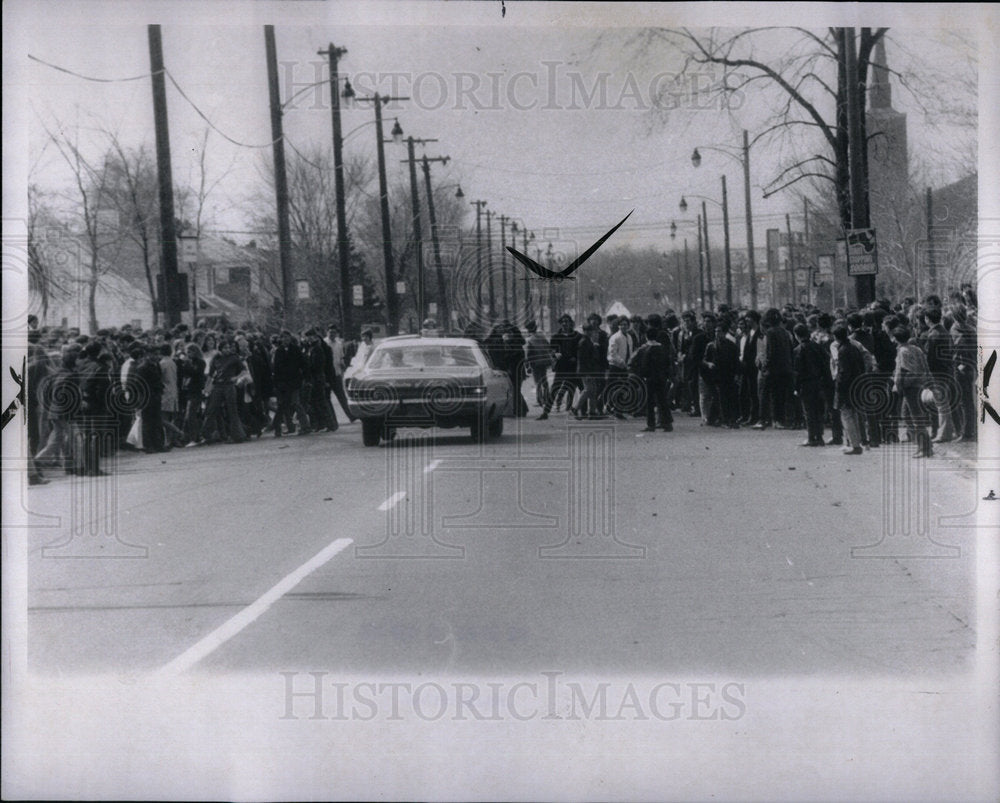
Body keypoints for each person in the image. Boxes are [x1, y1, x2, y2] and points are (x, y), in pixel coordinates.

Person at [892, 326, 933, 458]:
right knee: (907, 415)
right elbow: (925, 366)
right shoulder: (916, 348)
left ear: (896, 339)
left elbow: (904, 371)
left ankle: (924, 447)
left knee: (916, 417)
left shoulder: (903, 351)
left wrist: (899, 385)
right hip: (919, 384)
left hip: (911, 387)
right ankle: (924, 445)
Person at [793, 323, 832, 446]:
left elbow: (797, 371)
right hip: (819, 383)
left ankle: (811, 437)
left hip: (806, 384)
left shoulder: (798, 350)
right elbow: (826, 364)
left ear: (796, 336)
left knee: (808, 411)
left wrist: (796, 387)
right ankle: (819, 436)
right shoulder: (818, 347)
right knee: (819, 410)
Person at [831, 325, 866, 456]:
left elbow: (843, 372)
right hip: (856, 385)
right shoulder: (854, 348)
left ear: (836, 338)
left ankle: (854, 445)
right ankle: (856, 443)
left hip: (846, 388)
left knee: (846, 416)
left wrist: (839, 387)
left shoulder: (842, 350)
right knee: (854, 415)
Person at [270, 331, 311, 437]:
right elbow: (276, 368)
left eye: (287, 337)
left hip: (294, 382)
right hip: (283, 383)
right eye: (283, 338)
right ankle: (279, 428)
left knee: (296, 403)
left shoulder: (296, 349)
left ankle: (305, 426)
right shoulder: (278, 351)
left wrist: (305, 378)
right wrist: (277, 383)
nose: (285, 340)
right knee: (282, 405)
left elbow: (304, 364)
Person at [540, 315, 579, 417]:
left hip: (573, 365)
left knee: (572, 387)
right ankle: (546, 411)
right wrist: (555, 354)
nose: (565, 324)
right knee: (555, 388)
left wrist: (575, 357)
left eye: (567, 322)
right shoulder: (556, 337)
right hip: (561, 366)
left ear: (571, 323)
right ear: (560, 323)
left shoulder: (577, 336)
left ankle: (570, 409)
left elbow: (580, 349)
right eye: (563, 322)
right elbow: (551, 350)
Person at [524, 320, 553, 415]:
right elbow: (549, 347)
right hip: (544, 362)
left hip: (535, 363)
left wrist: (527, 365)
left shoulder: (529, 340)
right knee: (545, 381)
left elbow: (528, 354)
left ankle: (539, 400)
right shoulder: (542, 337)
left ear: (528, 330)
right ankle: (547, 398)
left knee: (537, 382)